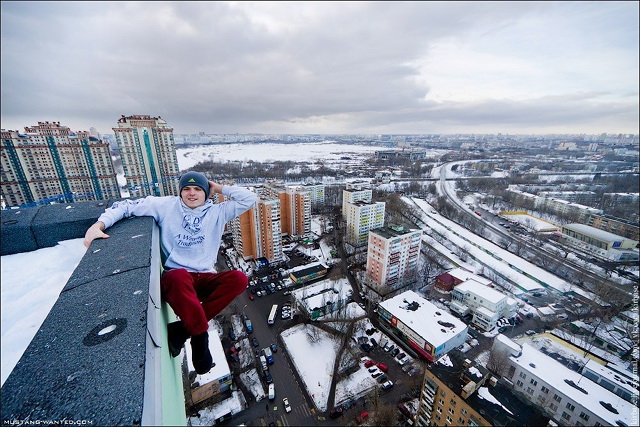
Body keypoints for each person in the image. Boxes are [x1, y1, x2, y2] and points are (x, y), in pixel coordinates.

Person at [83, 171, 257, 375]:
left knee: (239, 279)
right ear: (180, 192)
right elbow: (126, 206)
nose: (192, 194)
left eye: (198, 189)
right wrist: (98, 225)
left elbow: (250, 198)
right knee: (176, 276)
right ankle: (200, 337)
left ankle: (182, 329)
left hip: (205, 277)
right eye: (187, 189)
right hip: (178, 280)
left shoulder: (218, 212)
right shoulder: (165, 206)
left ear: (206, 192)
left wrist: (218, 188)